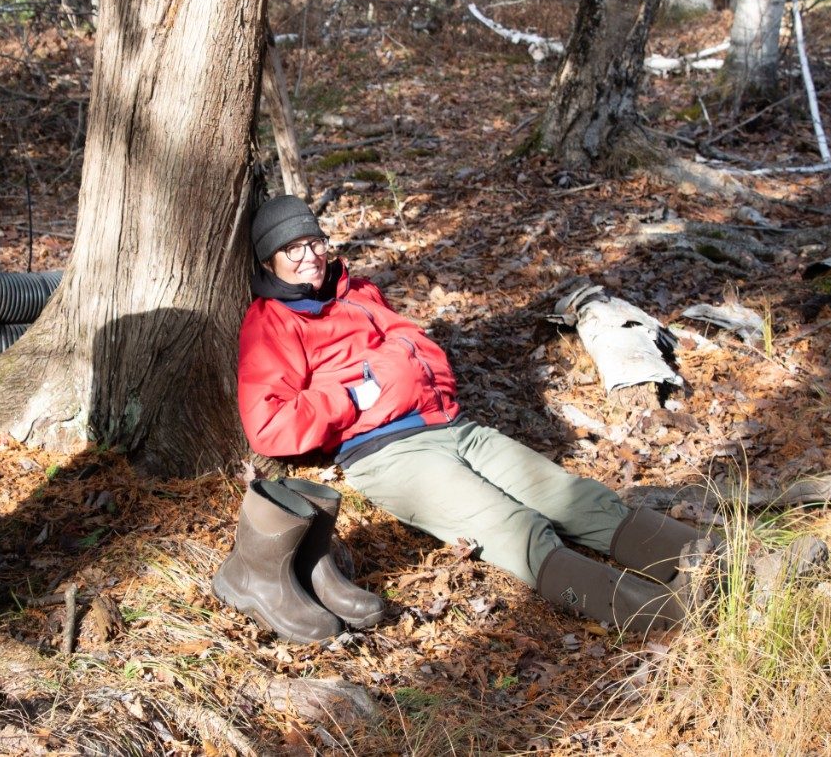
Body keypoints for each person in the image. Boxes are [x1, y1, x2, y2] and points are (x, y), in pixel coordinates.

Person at [229, 195, 714, 640]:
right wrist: (355, 393)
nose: (309, 256)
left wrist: (412, 375)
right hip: (387, 454)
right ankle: (667, 615)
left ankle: (723, 565)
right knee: (516, 529)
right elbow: (269, 426)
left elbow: (414, 350)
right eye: (292, 249)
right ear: (270, 260)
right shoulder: (271, 322)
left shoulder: (357, 291)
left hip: (451, 426)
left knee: (579, 500)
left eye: (313, 241)